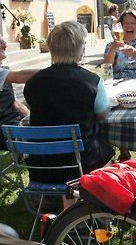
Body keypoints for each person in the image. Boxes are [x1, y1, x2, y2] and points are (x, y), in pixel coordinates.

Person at [24, 21, 114, 189]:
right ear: (80, 49)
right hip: (82, 165)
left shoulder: (32, 82)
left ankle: (53, 201)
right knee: (106, 145)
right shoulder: (92, 81)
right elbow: (102, 115)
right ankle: (102, 190)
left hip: (41, 166)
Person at [103, 9, 136, 79]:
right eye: (126, 23)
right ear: (121, 26)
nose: (129, 26)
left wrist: (135, 54)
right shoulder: (111, 46)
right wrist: (112, 50)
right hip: (117, 84)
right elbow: (106, 70)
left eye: (132, 23)